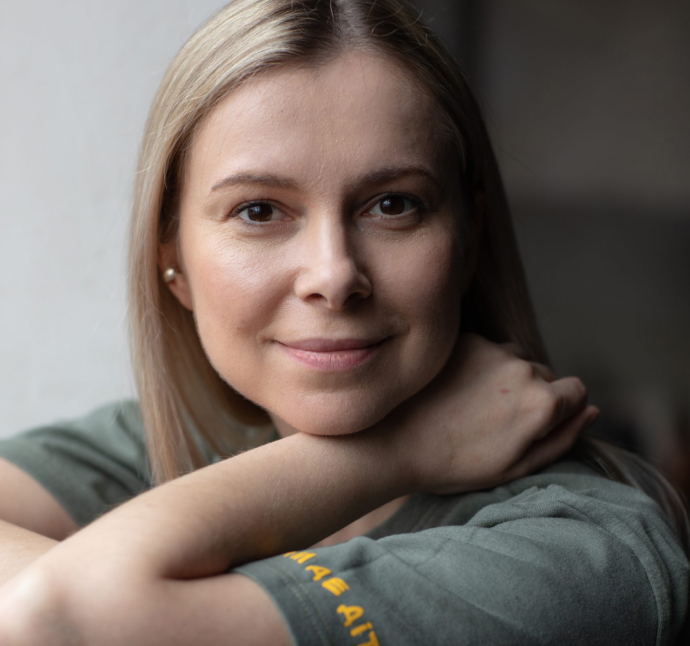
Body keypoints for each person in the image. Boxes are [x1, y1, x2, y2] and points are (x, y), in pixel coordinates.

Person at [0, 0, 687, 644]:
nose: (333, 275)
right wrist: (400, 450)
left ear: (469, 237)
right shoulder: (178, 442)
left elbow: (53, 619)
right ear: (170, 257)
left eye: (393, 205)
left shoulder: (587, 553)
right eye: (259, 211)